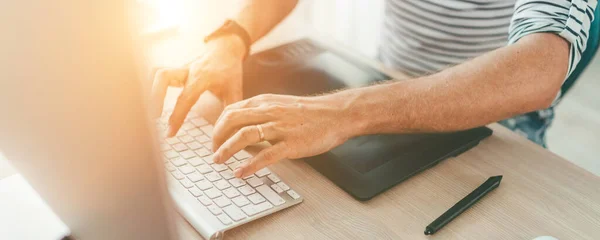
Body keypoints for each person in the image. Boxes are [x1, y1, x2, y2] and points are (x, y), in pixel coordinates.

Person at [152, 0, 597, 178]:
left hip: (500, 125)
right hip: (383, 82)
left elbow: (539, 70)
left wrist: (346, 113)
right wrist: (232, 38)